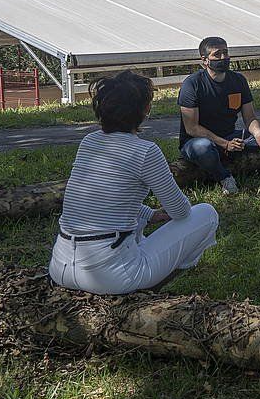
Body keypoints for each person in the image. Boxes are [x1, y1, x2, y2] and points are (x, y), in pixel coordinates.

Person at [49, 71, 219, 295]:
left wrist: (150, 214)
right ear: (145, 110)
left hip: (60, 267)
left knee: (135, 227)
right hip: (109, 276)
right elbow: (180, 211)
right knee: (206, 213)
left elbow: (102, 200)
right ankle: (147, 292)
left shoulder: (89, 141)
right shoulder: (145, 151)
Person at [177, 36, 260, 196]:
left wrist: (258, 133)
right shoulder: (192, 84)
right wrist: (224, 144)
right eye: (217, 54)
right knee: (203, 147)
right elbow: (192, 128)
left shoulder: (238, 80)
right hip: (198, 142)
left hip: (231, 138)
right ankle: (225, 178)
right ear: (205, 60)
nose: (223, 58)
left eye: (226, 53)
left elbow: (250, 117)